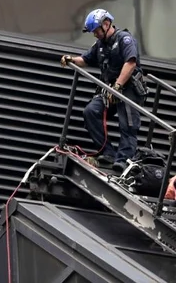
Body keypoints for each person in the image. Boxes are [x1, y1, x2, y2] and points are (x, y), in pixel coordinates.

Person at [60, 9, 148, 172]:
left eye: (96, 31)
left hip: (128, 89)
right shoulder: (100, 45)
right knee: (91, 112)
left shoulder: (125, 39)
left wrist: (118, 86)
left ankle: (123, 161)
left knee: (127, 126)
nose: (95, 35)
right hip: (110, 91)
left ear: (106, 24)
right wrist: (71, 58)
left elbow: (130, 63)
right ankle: (108, 153)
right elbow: (85, 59)